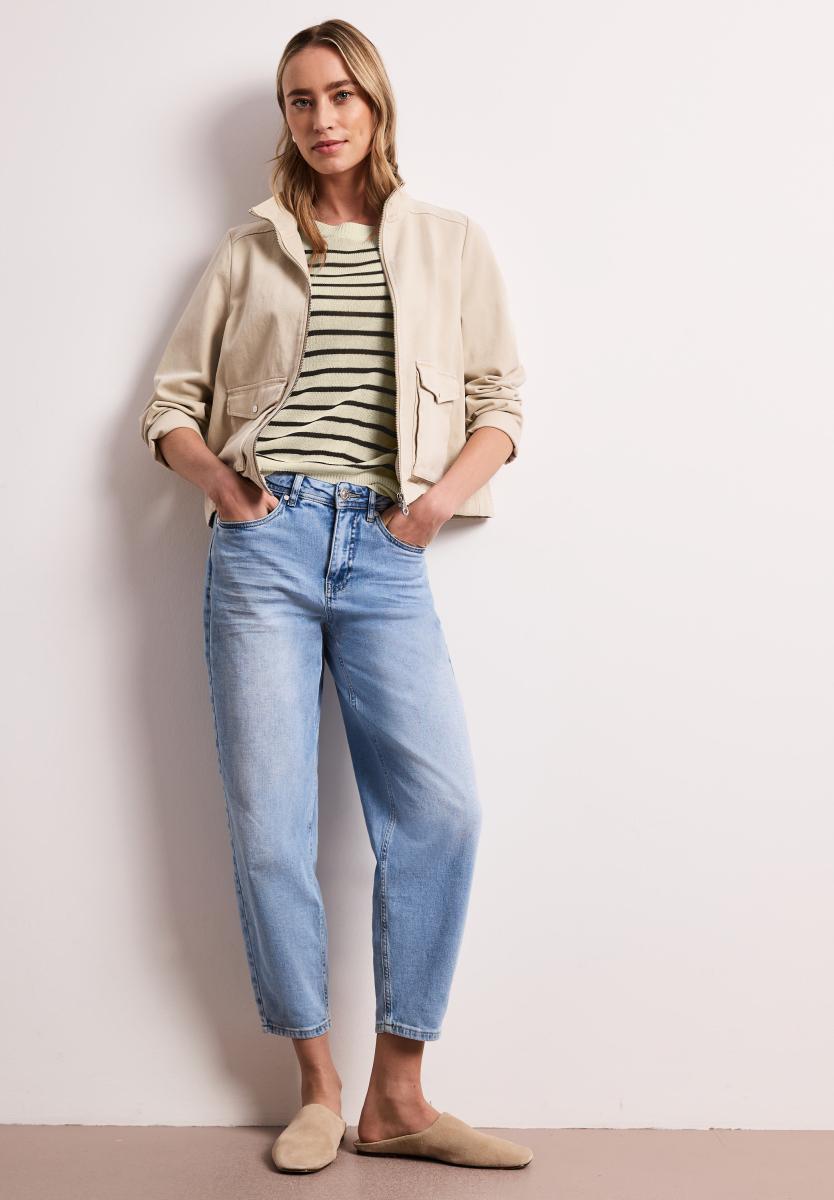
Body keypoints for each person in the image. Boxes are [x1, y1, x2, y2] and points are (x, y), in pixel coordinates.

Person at [140, 18, 531, 1175]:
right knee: (271, 827)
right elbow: (169, 404)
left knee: (442, 812)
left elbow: (502, 400)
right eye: (300, 100)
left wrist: (430, 508)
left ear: (376, 104)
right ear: (286, 117)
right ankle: (316, 1087)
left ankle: (398, 1098)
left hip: (386, 548)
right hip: (263, 549)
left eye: (341, 95)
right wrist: (226, 489)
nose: (322, 118)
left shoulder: (450, 242)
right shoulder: (248, 249)